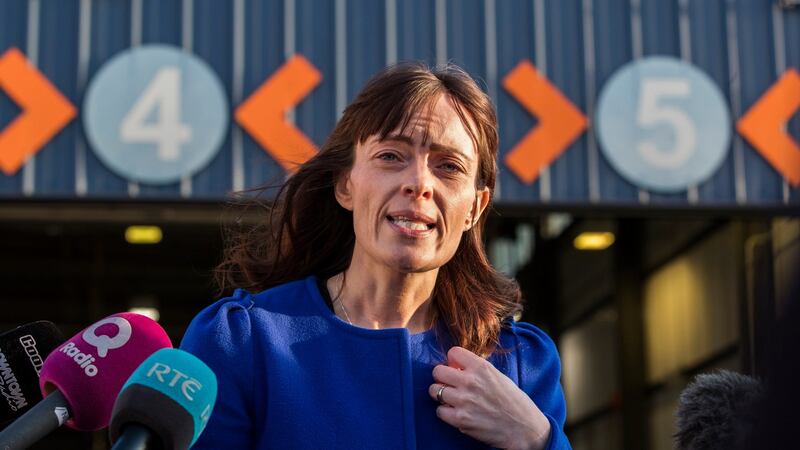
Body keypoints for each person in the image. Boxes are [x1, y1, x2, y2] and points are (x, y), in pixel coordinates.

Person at [181, 63, 571, 449]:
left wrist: (536, 439)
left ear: (474, 209)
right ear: (344, 184)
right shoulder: (243, 344)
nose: (419, 183)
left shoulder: (519, 363)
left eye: (449, 166)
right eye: (390, 156)